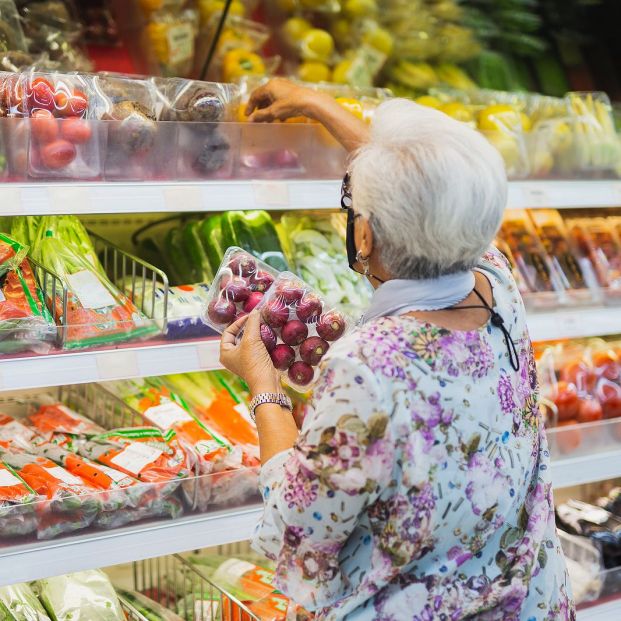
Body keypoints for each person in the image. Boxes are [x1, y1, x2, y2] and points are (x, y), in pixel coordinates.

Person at [220, 79, 575, 621]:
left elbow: (297, 522)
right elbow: (435, 191)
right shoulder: (494, 278)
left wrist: (263, 386)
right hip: (528, 601)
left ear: (364, 235)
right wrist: (320, 107)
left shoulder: (366, 366)